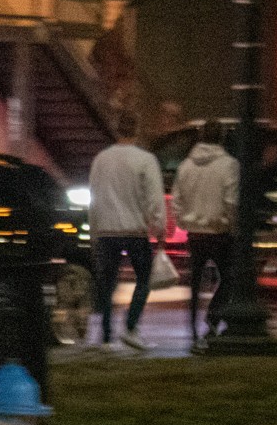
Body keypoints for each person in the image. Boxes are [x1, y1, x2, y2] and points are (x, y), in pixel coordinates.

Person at [86, 108, 166, 351]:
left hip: (107, 230)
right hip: (135, 230)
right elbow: (154, 198)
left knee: (107, 284)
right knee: (144, 279)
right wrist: (159, 227)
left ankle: (107, 337)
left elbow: (94, 196)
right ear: (137, 130)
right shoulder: (145, 160)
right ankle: (131, 327)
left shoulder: (101, 159)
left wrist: (94, 229)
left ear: (116, 129)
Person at [172, 119, 239, 346]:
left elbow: (177, 202)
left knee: (194, 283)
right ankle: (212, 320)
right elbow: (231, 201)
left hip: (195, 234)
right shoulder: (229, 165)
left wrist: (185, 222)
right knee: (228, 278)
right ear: (222, 138)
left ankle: (191, 329)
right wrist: (232, 224)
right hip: (219, 232)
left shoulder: (185, 166)